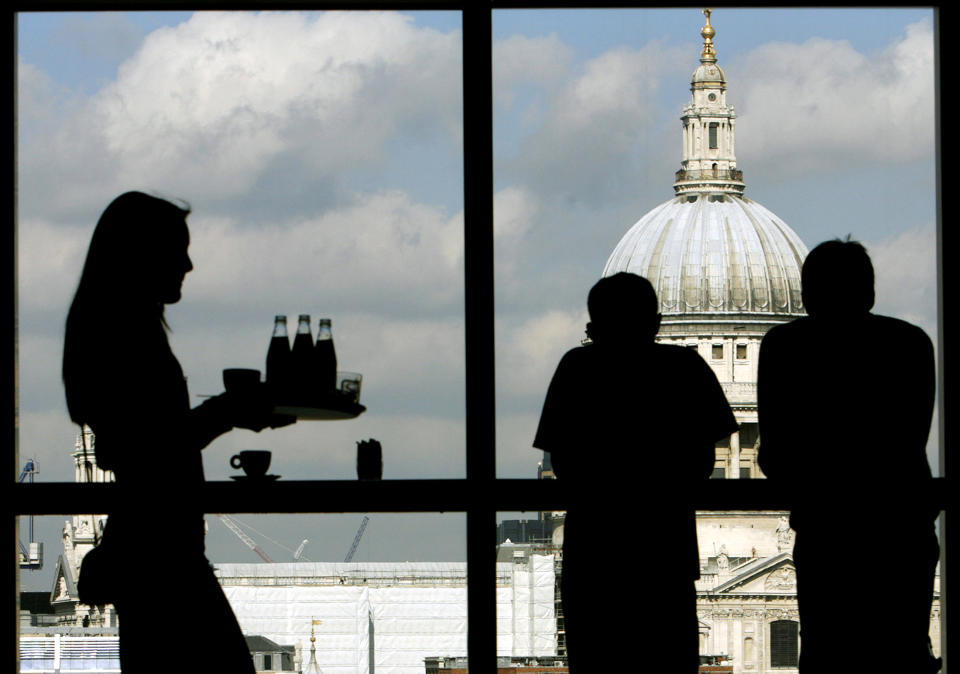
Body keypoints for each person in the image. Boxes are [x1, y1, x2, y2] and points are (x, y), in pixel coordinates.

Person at [62, 191, 294, 671]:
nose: (188, 264)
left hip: (153, 556)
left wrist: (222, 414)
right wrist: (225, 414)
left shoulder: (112, 331)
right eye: (177, 250)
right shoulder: (132, 336)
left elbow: (129, 444)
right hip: (164, 559)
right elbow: (144, 448)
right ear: (143, 256)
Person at [533, 272, 737, 673]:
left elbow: (562, 461)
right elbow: (704, 460)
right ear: (656, 323)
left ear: (592, 327)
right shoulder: (685, 367)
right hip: (665, 551)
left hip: (595, 551)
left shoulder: (576, 368)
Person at [757, 239, 940, 672]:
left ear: (804, 295)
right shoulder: (911, 343)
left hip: (828, 531)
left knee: (828, 651)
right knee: (905, 652)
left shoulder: (785, 346)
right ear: (870, 292)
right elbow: (912, 437)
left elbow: (776, 454)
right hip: (902, 529)